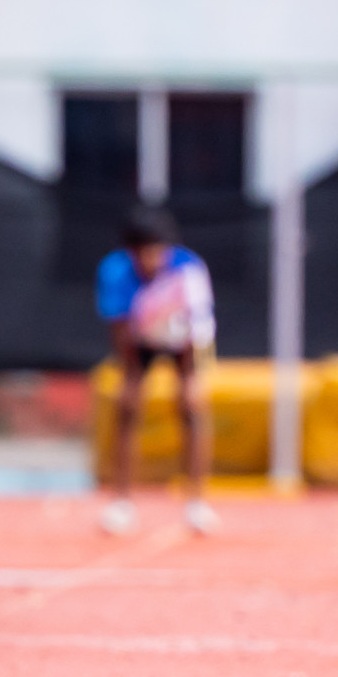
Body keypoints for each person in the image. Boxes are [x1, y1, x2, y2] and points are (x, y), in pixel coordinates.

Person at [95, 206, 220, 536]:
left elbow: (200, 326)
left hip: (183, 341)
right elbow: (120, 331)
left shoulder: (189, 270)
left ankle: (196, 503)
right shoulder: (115, 271)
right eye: (142, 253)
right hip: (140, 340)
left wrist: (191, 377)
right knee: (127, 404)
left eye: (155, 251)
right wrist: (131, 377)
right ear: (130, 253)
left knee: (192, 405)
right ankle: (121, 502)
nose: (150, 260)